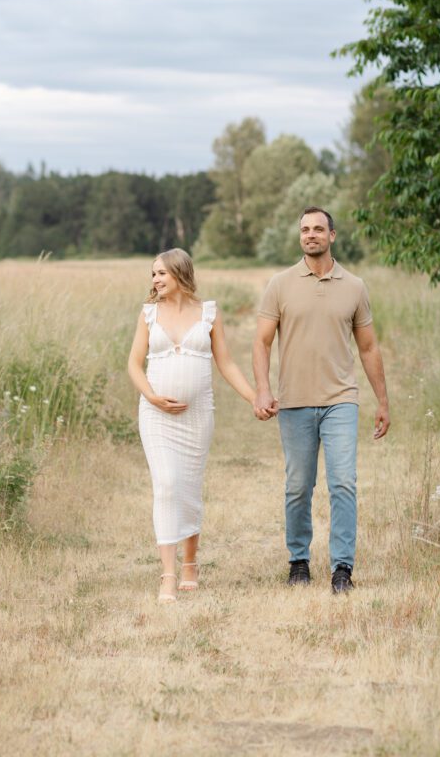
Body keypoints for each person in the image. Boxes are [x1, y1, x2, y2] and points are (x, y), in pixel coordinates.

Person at [252, 207, 390, 593]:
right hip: (294, 402)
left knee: (343, 482)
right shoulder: (279, 284)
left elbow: (368, 347)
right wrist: (263, 388)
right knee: (298, 485)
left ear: (332, 235)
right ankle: (299, 561)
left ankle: (342, 568)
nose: (310, 235)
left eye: (317, 229)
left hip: (340, 400)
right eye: (304, 230)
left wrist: (383, 401)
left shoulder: (354, 286)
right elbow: (261, 342)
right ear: (300, 237)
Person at [128, 248, 255, 602]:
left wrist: (254, 397)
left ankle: (190, 563)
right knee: (167, 484)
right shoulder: (148, 314)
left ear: (181, 274)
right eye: (153, 274)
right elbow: (134, 365)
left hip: (198, 416)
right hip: (155, 415)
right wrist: (152, 397)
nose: (155, 280)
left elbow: (226, 364)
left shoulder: (208, 313)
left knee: (188, 487)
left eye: (161, 274)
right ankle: (167, 575)